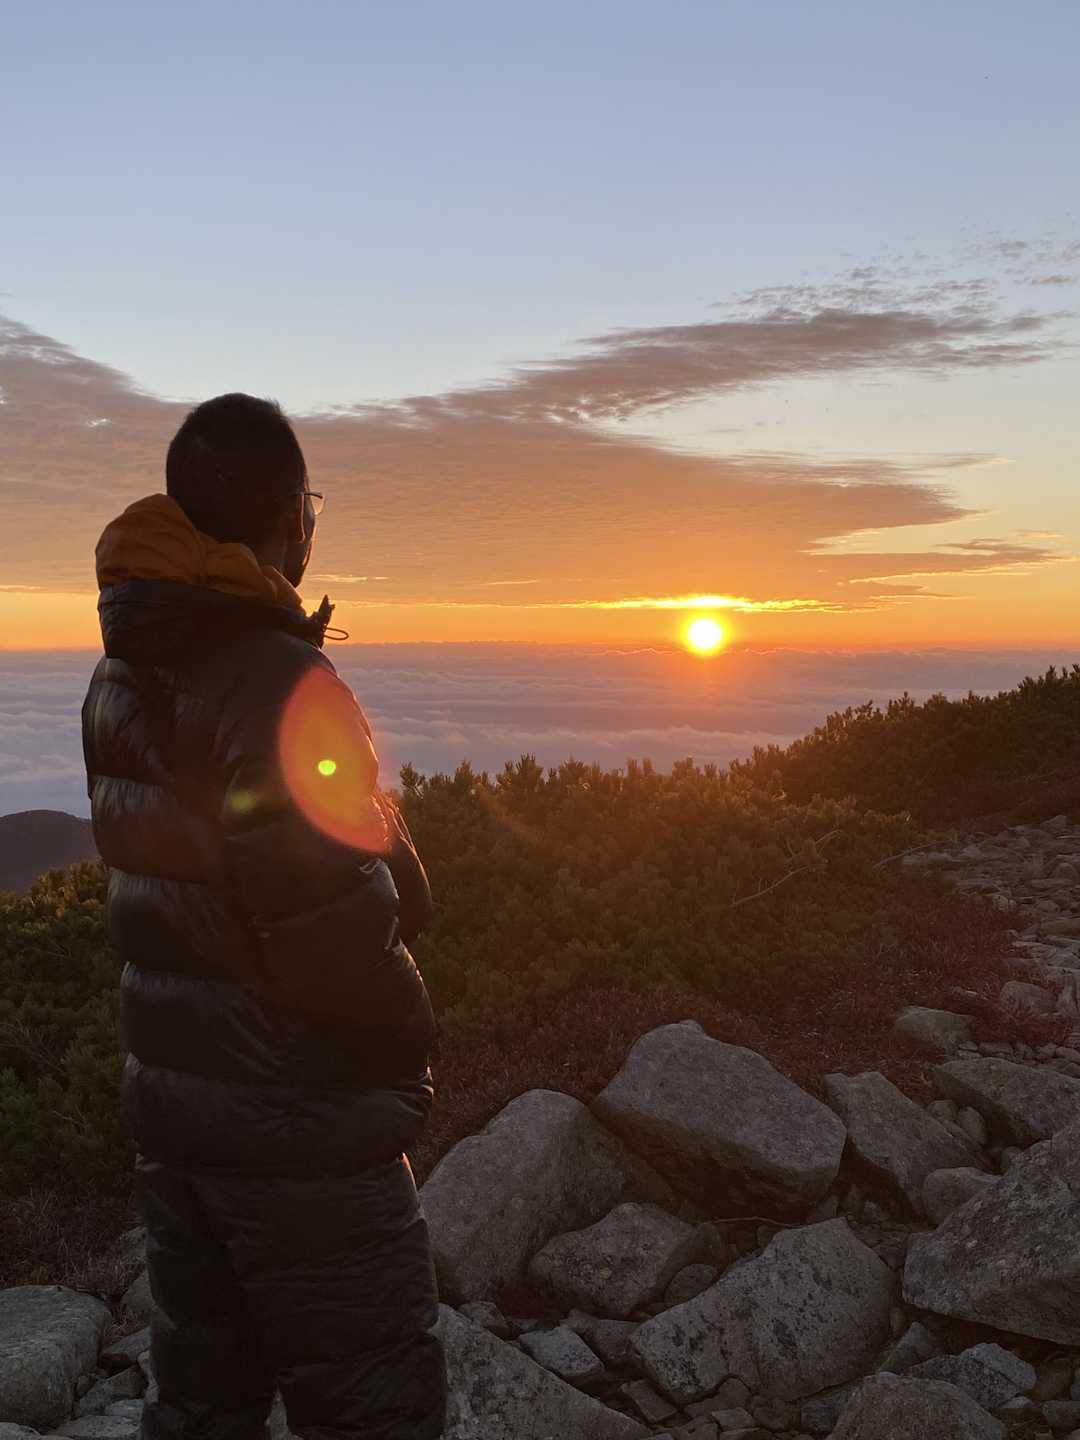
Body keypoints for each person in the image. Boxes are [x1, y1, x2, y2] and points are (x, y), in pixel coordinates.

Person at [81, 393, 447, 1440]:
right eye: (310, 509)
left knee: (204, 1406)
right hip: (300, 1130)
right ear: (292, 517)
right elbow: (330, 925)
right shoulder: (279, 679)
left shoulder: (122, 669)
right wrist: (405, 1052)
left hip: (179, 1119)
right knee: (376, 1410)